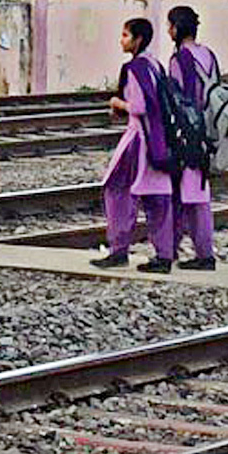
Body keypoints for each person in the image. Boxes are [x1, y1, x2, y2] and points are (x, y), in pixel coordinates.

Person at [91, 17, 176, 273]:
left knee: (116, 191)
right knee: (157, 198)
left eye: (126, 35)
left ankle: (118, 249)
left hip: (138, 139)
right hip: (159, 139)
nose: (122, 40)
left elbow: (141, 107)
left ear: (138, 39)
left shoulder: (135, 68)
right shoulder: (155, 65)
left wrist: (118, 104)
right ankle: (164, 254)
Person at [167, 5, 218, 271]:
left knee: (187, 195)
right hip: (208, 132)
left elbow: (179, 99)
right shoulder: (208, 55)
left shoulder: (180, 59)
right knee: (196, 193)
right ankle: (193, 250)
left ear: (177, 28)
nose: (168, 31)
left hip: (188, 135)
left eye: (170, 25)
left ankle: (193, 253)